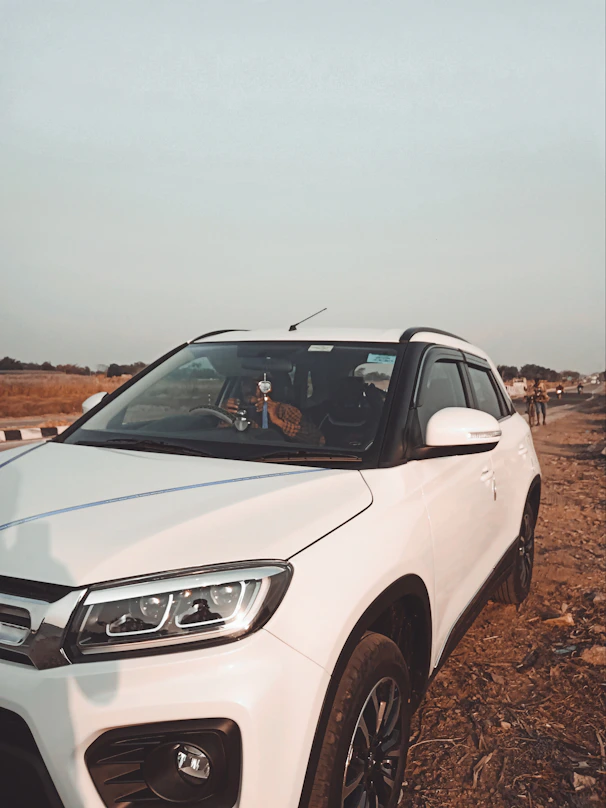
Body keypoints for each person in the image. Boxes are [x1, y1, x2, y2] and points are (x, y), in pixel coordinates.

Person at [225, 375, 325, 445]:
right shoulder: (232, 409)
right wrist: (223, 414)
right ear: (241, 386)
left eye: (260, 385)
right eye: (247, 383)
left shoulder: (285, 411)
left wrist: (278, 421)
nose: (252, 390)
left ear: (270, 388)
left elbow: (318, 440)